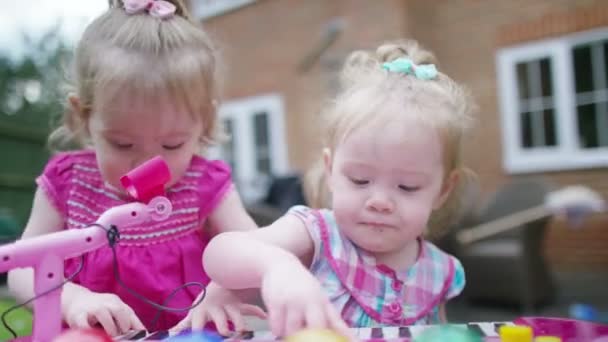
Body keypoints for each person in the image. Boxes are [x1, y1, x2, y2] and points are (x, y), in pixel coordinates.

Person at [7, 0, 265, 336]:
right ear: (83, 117)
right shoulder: (69, 182)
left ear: (205, 122)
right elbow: (23, 267)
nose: (147, 164)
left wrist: (222, 293)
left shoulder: (203, 184)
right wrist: (72, 300)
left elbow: (257, 253)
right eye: (122, 144)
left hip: (189, 329)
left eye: (172, 145)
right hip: (94, 330)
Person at [199, 39, 477, 337]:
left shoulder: (441, 272)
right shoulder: (317, 235)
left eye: (407, 187)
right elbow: (221, 251)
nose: (380, 201)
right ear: (331, 170)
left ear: (443, 190)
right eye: (360, 180)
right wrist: (277, 267)